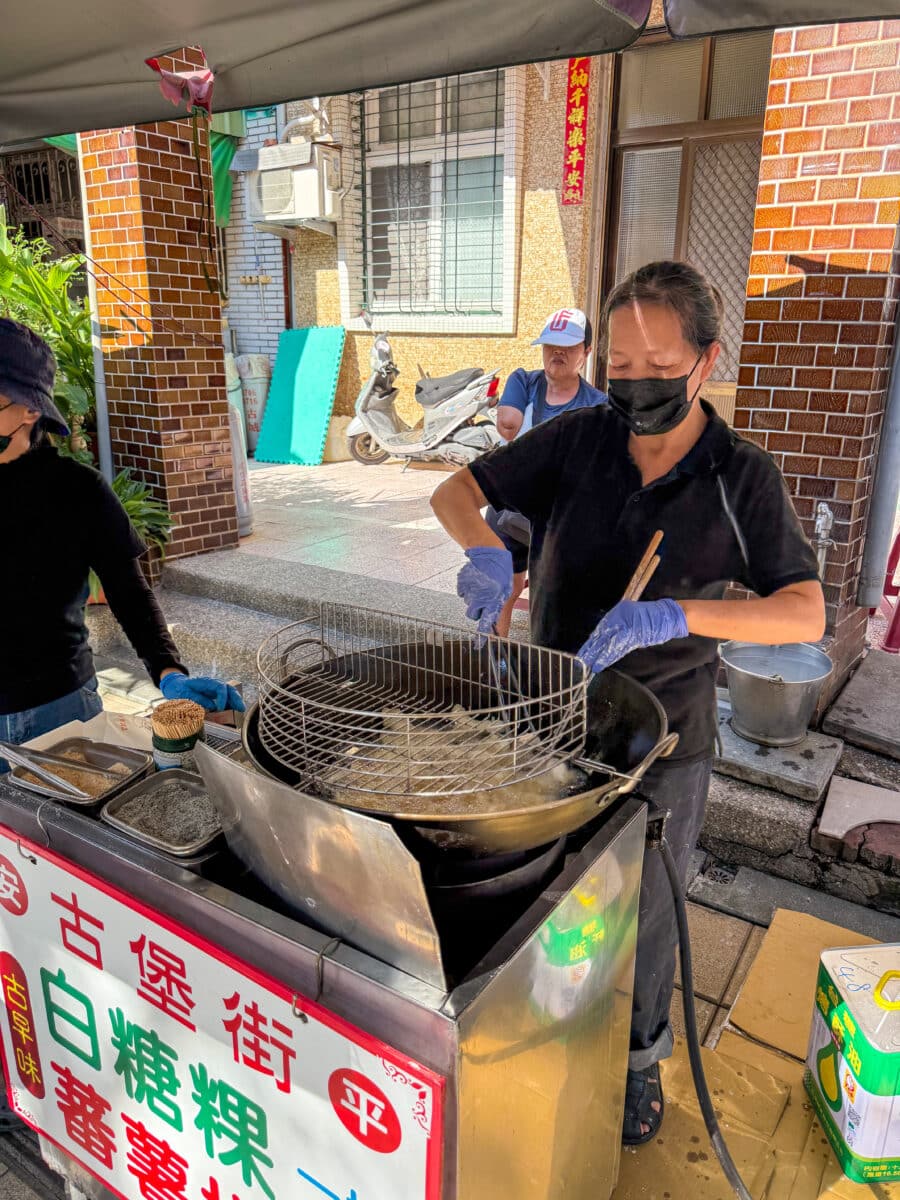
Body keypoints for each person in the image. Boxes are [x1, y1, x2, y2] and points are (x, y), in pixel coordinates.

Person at [431, 261, 824, 1146]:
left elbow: (804, 610)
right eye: (624, 358)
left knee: (645, 906)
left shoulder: (742, 476)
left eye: (660, 359)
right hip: (549, 712)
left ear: (706, 361)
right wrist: (490, 553)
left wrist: (678, 612)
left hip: (666, 737)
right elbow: (457, 491)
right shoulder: (579, 438)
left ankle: (640, 1056)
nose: (637, 379)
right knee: (542, 882)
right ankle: (537, 1016)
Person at [0, 318, 243, 768]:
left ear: (30, 409)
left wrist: (168, 673)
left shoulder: (77, 490)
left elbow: (128, 590)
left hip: (59, 710)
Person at [486, 307, 607, 635]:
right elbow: (508, 427)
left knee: (550, 599)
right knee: (501, 592)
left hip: (556, 525)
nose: (557, 352)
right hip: (507, 514)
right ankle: (490, 667)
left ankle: (546, 672)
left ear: (586, 352)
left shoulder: (598, 406)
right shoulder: (524, 382)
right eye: (550, 344)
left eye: (568, 346)